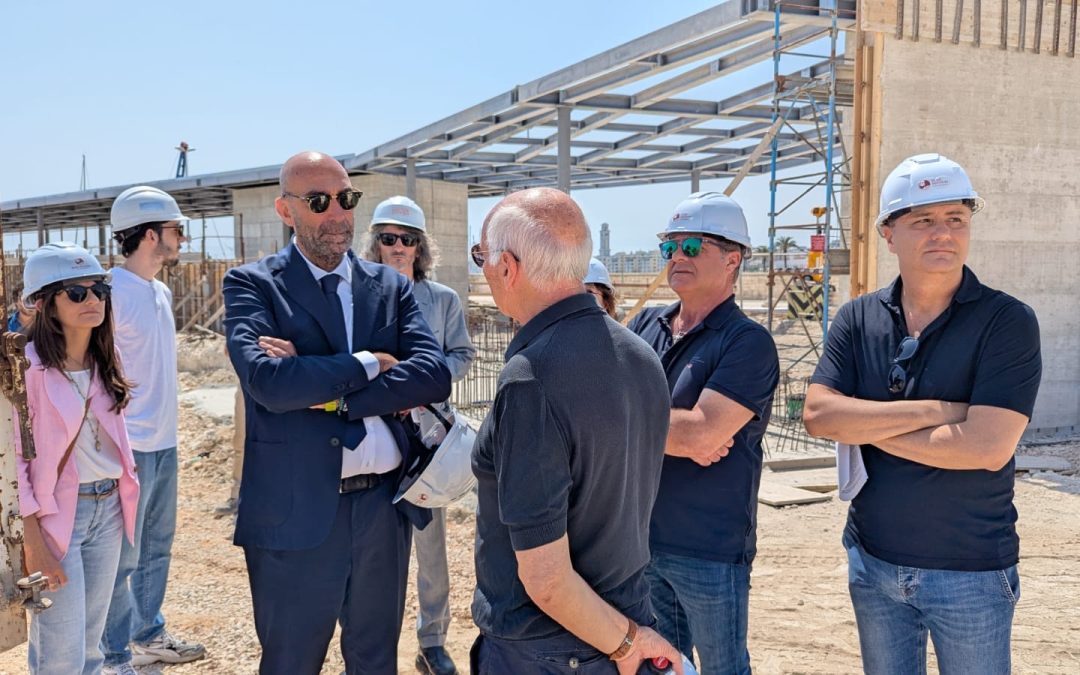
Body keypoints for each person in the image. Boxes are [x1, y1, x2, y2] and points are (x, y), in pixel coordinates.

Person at [803, 153, 1042, 674]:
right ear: (889, 233)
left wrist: (864, 425)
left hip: (971, 573)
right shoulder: (858, 317)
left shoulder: (1007, 322)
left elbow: (985, 447)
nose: (943, 234)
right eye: (923, 221)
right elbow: (820, 415)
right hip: (872, 562)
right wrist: (938, 412)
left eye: (956, 219)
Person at [223, 151, 451, 675]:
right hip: (295, 511)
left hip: (381, 512)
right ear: (287, 211)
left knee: (374, 662)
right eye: (320, 201)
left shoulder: (390, 287)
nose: (338, 214)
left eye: (346, 199)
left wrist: (333, 392)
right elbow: (268, 384)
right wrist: (370, 362)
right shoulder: (252, 285)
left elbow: (433, 374)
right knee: (290, 662)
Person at [470, 187, 683, 674]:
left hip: (547, 648)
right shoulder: (640, 354)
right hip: (616, 617)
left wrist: (628, 645)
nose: (483, 270)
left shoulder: (531, 376)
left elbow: (545, 579)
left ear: (507, 267)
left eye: (481, 256)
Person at [628, 192, 780, 674]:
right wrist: (683, 431)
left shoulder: (747, 342)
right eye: (669, 247)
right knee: (658, 667)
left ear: (733, 259)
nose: (677, 257)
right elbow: (686, 433)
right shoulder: (642, 327)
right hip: (639, 539)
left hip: (710, 549)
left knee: (722, 668)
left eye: (691, 246)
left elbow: (702, 434)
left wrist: (680, 431)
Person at [363, 195, 476, 675]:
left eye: (407, 239)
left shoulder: (443, 300)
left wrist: (424, 383)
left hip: (425, 441)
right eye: (388, 238)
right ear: (376, 244)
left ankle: (432, 641)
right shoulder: (358, 297)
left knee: (431, 549)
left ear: (420, 246)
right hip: (371, 435)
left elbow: (462, 355)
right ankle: (371, 642)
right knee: (371, 549)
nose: (398, 247)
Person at [15, 243, 140, 674]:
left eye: (99, 290)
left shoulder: (107, 358)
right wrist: (32, 541)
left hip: (108, 510)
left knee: (90, 649)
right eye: (77, 292)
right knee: (60, 654)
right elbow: (11, 463)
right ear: (46, 304)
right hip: (55, 518)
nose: (93, 300)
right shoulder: (24, 368)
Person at [102, 186, 205, 674]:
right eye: (175, 230)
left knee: (157, 546)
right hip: (129, 446)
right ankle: (114, 654)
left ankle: (147, 634)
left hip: (165, 442)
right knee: (122, 558)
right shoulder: (107, 292)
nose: (182, 238)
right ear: (149, 235)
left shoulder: (160, 290)